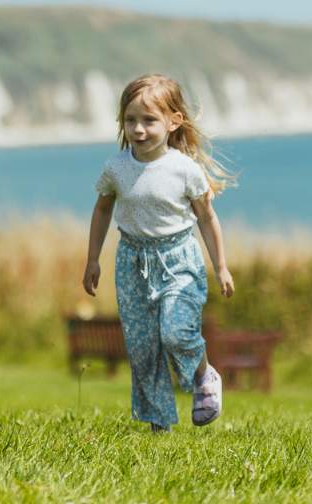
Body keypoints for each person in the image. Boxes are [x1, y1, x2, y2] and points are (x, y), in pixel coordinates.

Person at [83, 74, 236, 432]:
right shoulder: (116, 168)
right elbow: (103, 210)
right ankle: (159, 422)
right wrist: (93, 259)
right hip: (132, 261)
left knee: (176, 331)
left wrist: (222, 266)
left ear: (173, 121)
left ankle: (205, 377)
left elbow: (207, 218)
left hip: (179, 259)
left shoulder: (184, 169)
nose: (138, 129)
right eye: (130, 120)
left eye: (149, 120)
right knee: (142, 346)